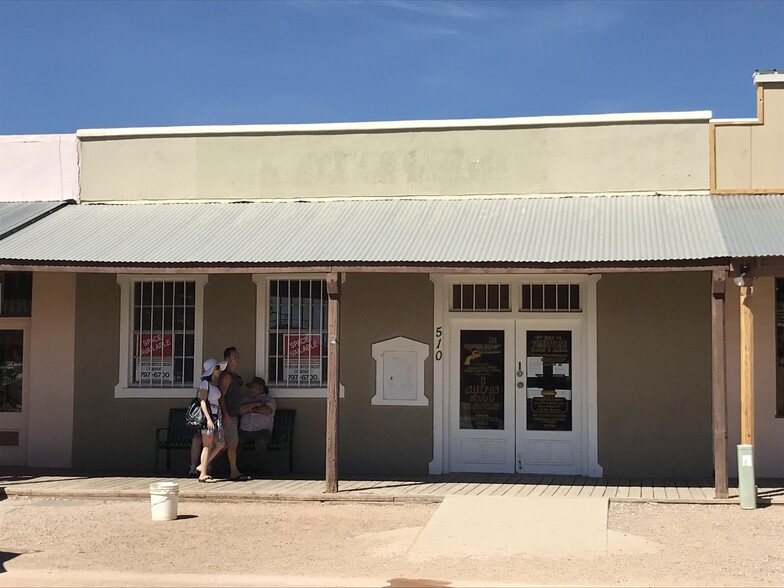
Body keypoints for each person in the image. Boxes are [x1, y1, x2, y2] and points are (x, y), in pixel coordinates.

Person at [217, 346, 249, 481]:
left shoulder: (235, 376)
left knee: (230, 444)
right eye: (234, 356)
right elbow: (221, 396)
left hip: (234, 414)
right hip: (228, 415)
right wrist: (225, 414)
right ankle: (205, 465)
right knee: (229, 444)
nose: (237, 358)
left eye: (237, 356)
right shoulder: (226, 376)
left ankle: (232, 470)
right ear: (227, 359)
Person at [196, 357, 226, 484]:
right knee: (207, 445)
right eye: (217, 368)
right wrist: (208, 418)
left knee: (220, 444)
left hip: (215, 417)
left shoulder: (212, 385)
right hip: (209, 418)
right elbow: (202, 401)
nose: (219, 371)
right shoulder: (204, 384)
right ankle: (203, 473)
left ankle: (202, 466)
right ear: (212, 370)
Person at [238, 376, 276, 475]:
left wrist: (250, 409)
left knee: (261, 442)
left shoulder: (269, 399)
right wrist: (255, 403)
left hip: (262, 431)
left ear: (261, 388)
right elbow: (240, 410)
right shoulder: (245, 399)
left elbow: (267, 410)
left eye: (253, 387)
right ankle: (239, 467)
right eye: (250, 387)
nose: (251, 389)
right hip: (245, 431)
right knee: (234, 441)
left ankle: (256, 467)